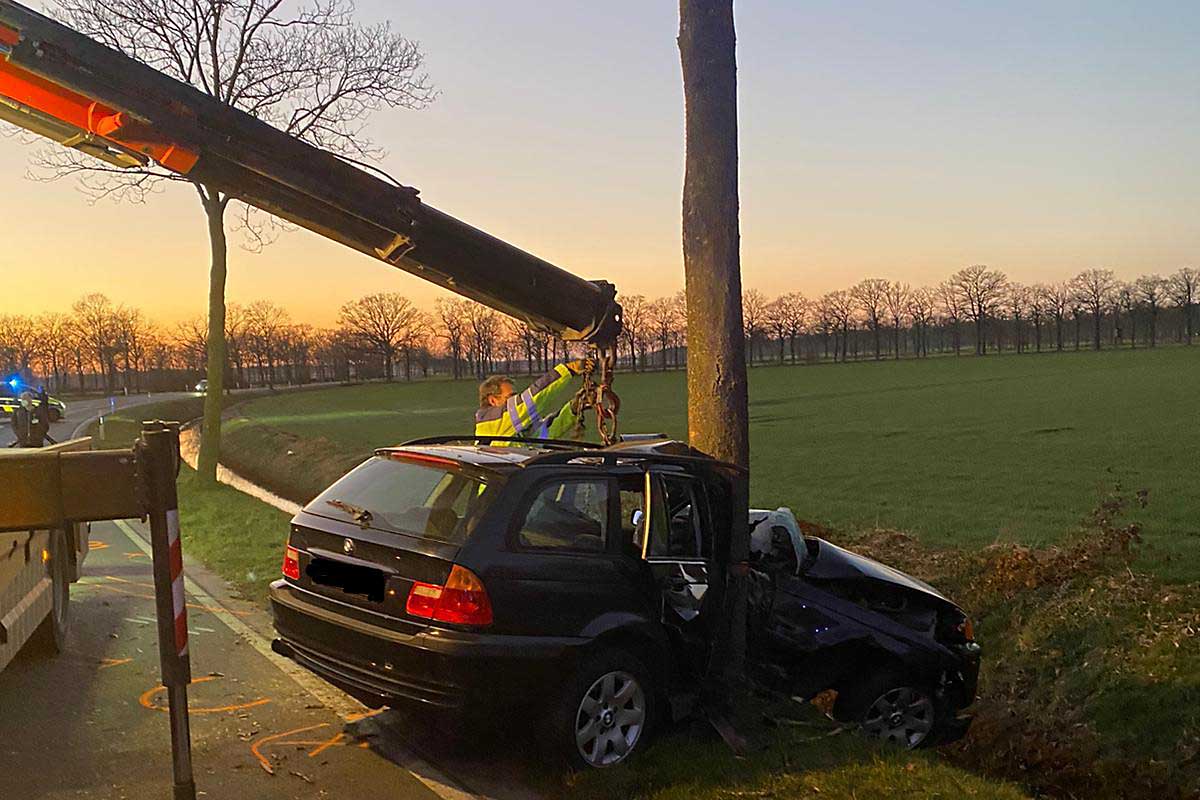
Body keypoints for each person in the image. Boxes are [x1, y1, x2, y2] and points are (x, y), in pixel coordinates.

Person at [475, 359, 591, 442]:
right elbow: (532, 400)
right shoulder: (490, 420)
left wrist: (573, 408)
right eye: (510, 398)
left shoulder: (512, 428)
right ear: (493, 401)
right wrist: (568, 370)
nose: (514, 402)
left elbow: (546, 432)